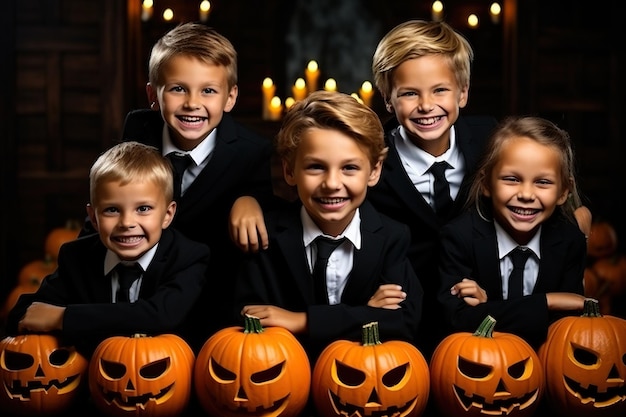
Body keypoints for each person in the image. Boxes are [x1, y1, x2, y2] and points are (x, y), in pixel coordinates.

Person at [106, 23, 276, 350]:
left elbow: (262, 215)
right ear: (153, 95)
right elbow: (113, 190)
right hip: (142, 287)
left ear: (230, 97)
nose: (192, 103)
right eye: (178, 89)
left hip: (213, 297)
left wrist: (249, 199)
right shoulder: (139, 130)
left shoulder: (250, 151)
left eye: (208, 91)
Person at [234, 91, 422, 365]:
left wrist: (302, 321)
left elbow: (403, 321)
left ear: (374, 171)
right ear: (289, 171)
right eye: (316, 167)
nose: (332, 183)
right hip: (281, 378)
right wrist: (364, 315)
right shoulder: (265, 238)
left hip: (362, 381)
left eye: (349, 168)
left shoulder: (392, 238)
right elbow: (249, 321)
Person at [5, 141, 211, 358]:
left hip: (163, 373)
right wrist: (31, 316)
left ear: (167, 215)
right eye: (112, 210)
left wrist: (63, 318)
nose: (127, 222)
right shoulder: (77, 257)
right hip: (94, 380)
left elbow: (160, 314)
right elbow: (23, 312)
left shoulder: (187, 258)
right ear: (94, 217)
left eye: (143, 209)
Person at [367, 19, 498, 358]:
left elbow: (532, 182)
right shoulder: (368, 156)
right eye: (409, 93)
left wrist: (572, 213)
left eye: (440, 90)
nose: (426, 105)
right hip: (399, 322)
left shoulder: (491, 140)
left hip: (476, 316)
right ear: (388, 100)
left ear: (463, 92)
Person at [437, 115, 587, 350]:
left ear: (563, 192)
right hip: (479, 365)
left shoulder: (569, 241)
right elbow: (456, 319)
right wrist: (548, 302)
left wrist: (490, 309)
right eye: (512, 179)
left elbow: (567, 326)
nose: (526, 194)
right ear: (486, 183)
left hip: (546, 368)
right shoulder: (460, 237)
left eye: (543, 182)